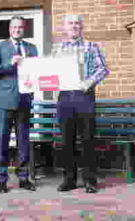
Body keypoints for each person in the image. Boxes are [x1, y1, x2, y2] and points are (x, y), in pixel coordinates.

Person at [53, 14, 109, 194]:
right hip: (65, 97)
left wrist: (88, 83)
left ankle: (90, 181)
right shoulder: (57, 49)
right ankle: (69, 180)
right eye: (70, 23)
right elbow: (49, 72)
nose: (74, 26)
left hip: (84, 96)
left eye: (77, 23)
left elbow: (102, 69)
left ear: (81, 27)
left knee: (87, 139)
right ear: (65, 27)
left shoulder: (91, 47)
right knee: (66, 140)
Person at [0, 16, 38, 193]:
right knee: (3, 141)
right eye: (14, 27)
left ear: (24, 30)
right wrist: (10, 64)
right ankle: (1, 180)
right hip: (4, 101)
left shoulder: (32, 48)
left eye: (20, 27)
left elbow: (36, 72)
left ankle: (23, 178)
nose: (17, 30)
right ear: (9, 29)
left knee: (23, 141)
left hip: (24, 100)